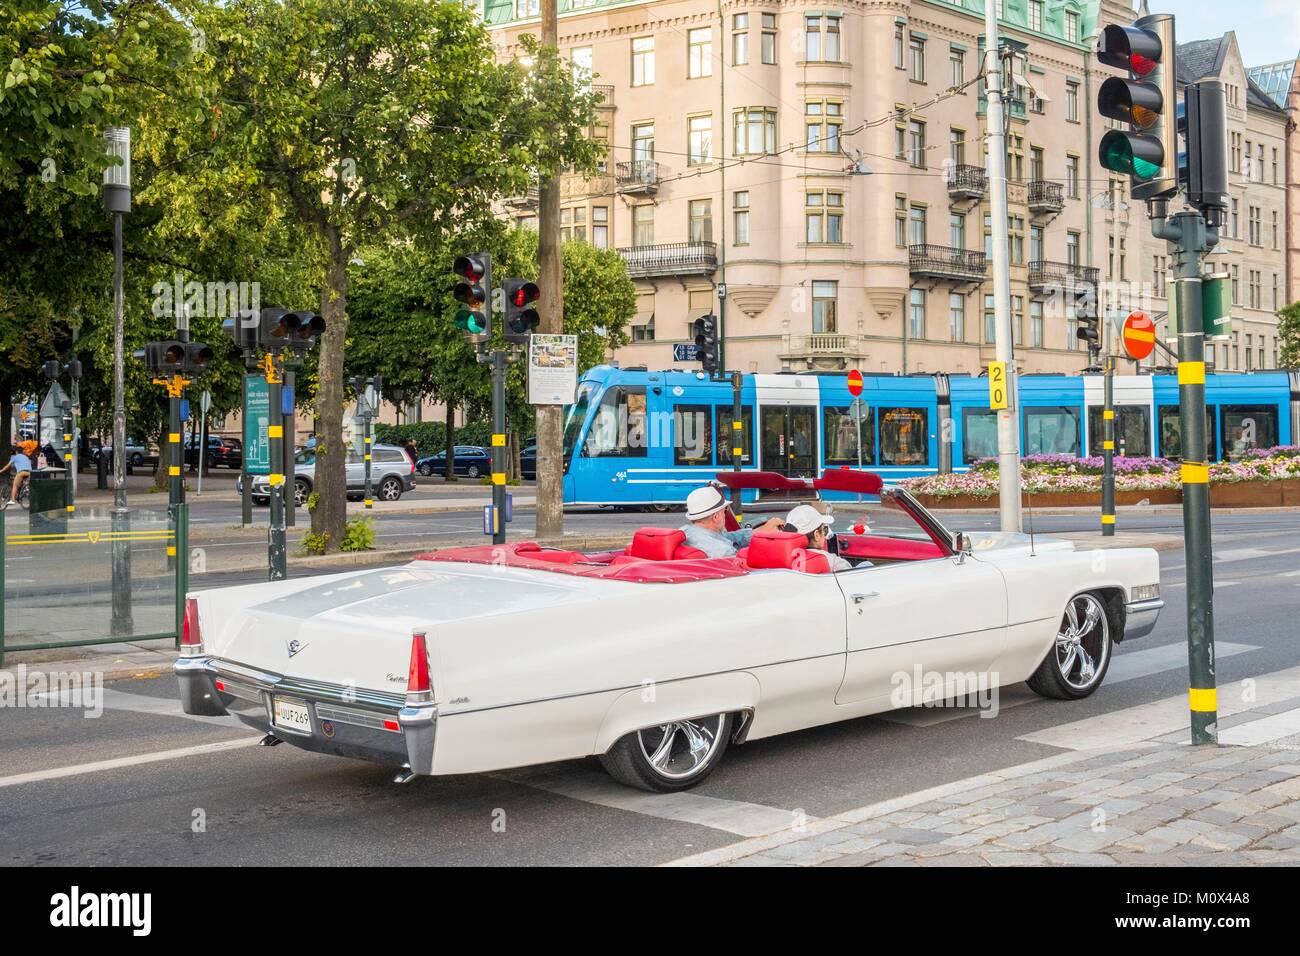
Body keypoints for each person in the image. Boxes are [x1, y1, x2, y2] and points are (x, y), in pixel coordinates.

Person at [679, 485, 783, 558]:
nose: (725, 515)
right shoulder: (723, 551)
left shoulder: (688, 532)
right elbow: (740, 561)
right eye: (724, 511)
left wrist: (761, 530)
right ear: (716, 517)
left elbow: (728, 537)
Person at [784, 503, 856, 572]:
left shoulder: (780, 559)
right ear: (817, 535)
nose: (825, 534)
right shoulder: (834, 562)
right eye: (824, 529)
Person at [1, 443, 33, 509]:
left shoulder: (14, 457)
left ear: (16, 452)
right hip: (29, 473)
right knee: (24, 483)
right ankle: (25, 491)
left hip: (21, 472)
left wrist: (1, 471)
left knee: (15, 485)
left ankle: (12, 500)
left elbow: (7, 466)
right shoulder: (26, 457)